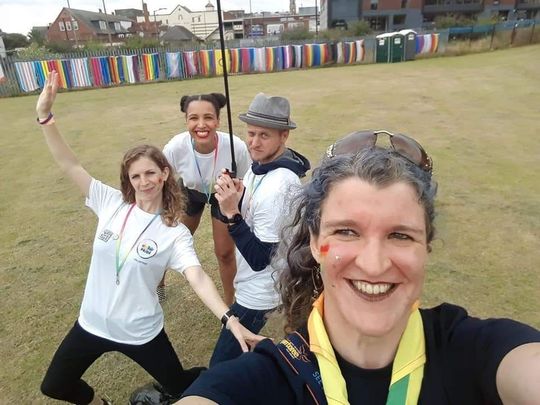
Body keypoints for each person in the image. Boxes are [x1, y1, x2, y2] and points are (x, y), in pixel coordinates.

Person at [177, 130, 540, 404]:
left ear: (425, 246)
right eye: (347, 231)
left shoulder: (476, 351)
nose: (373, 263)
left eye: (400, 235)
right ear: (317, 242)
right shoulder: (265, 379)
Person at [36, 71, 262, 405]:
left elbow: (197, 276)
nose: (144, 182)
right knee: (53, 386)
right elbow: (69, 165)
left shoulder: (174, 232)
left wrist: (229, 319)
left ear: (165, 173)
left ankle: (210, 380)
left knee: (181, 386)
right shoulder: (110, 202)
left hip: (141, 332)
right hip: (91, 325)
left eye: (150, 173)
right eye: (136, 175)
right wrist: (45, 116)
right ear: (128, 179)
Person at [209, 93, 311, 366]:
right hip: (250, 285)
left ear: (284, 136)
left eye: (264, 135)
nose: (254, 142)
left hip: (260, 291)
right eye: (251, 133)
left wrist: (232, 213)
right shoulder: (259, 168)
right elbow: (249, 216)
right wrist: (234, 197)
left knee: (220, 365)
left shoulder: (281, 185)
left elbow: (259, 259)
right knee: (243, 358)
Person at [161, 93, 251, 305]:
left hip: (224, 194)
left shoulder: (235, 146)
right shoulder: (176, 147)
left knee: (225, 253)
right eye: (193, 118)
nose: (201, 125)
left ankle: (231, 306)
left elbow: (247, 181)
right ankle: (158, 282)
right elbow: (160, 178)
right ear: (186, 121)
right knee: (172, 241)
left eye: (208, 117)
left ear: (218, 121)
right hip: (190, 192)